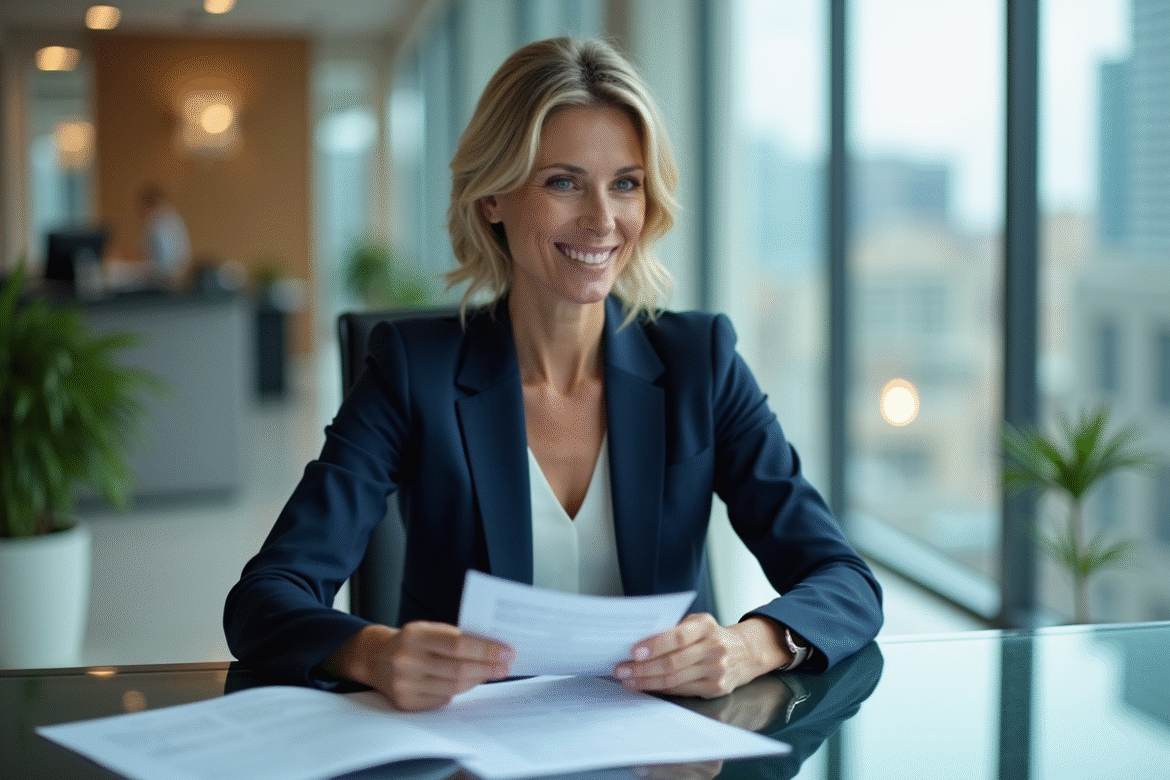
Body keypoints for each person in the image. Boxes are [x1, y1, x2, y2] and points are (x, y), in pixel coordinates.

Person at [224, 37, 882, 712]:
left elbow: (843, 580)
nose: (602, 220)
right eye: (563, 182)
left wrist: (754, 644)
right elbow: (265, 597)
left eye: (625, 183)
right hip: (470, 750)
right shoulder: (411, 369)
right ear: (493, 200)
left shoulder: (700, 362)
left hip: (665, 748)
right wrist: (372, 652)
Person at [137, 183, 191, 289]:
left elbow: (158, 259)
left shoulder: (158, 222)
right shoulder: (170, 217)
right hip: (177, 275)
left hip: (166, 280)